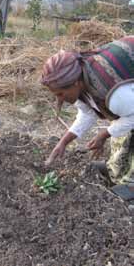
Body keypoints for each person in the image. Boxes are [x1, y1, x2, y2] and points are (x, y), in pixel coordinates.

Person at [41, 36, 134, 202]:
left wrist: (103, 135)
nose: (60, 99)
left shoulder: (112, 92)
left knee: (121, 124)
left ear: (75, 83)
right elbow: (87, 113)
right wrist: (63, 142)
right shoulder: (82, 79)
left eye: (61, 94)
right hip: (129, 100)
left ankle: (131, 186)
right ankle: (116, 169)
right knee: (120, 126)